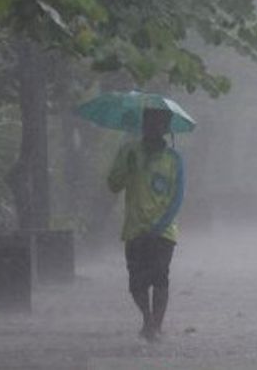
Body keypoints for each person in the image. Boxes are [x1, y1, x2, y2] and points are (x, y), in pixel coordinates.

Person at [107, 107, 185, 341]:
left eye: (159, 124)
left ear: (166, 128)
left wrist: (159, 227)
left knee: (160, 276)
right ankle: (147, 318)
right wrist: (127, 167)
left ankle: (156, 325)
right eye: (150, 123)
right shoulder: (129, 151)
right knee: (136, 281)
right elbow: (113, 184)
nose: (154, 129)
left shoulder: (174, 159)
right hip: (134, 229)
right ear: (144, 125)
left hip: (164, 231)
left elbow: (177, 197)